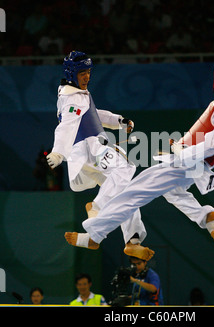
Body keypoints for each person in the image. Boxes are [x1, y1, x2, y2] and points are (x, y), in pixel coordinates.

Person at [64, 61, 214, 249]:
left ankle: (95, 235)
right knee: (173, 191)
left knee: (133, 193)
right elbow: (207, 137)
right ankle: (205, 216)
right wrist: (181, 148)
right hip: (189, 161)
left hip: (188, 162)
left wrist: (184, 152)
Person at [47, 51, 154, 261]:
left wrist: (118, 121)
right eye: (82, 73)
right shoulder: (73, 98)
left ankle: (130, 241)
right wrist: (57, 152)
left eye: (88, 72)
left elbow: (94, 113)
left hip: (87, 157)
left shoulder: (76, 94)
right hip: (91, 148)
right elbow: (66, 126)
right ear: (71, 74)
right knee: (126, 166)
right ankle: (97, 207)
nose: (87, 77)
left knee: (126, 191)